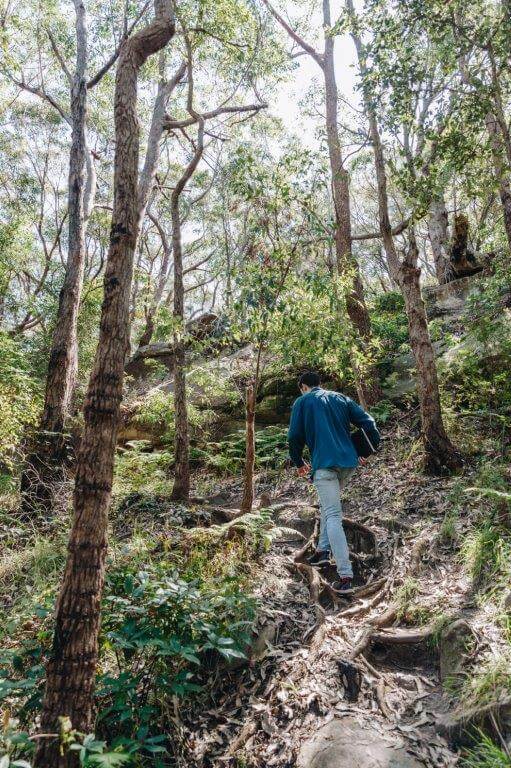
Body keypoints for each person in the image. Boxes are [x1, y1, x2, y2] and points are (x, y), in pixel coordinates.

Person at [287, 371, 380, 592]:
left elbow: (293, 437)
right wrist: (368, 450)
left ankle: (345, 576)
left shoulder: (302, 402)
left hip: (325, 466)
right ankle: (321, 552)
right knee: (330, 510)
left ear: (303, 386)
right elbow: (369, 423)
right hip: (347, 464)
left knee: (333, 516)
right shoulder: (340, 398)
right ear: (320, 384)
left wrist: (299, 462)